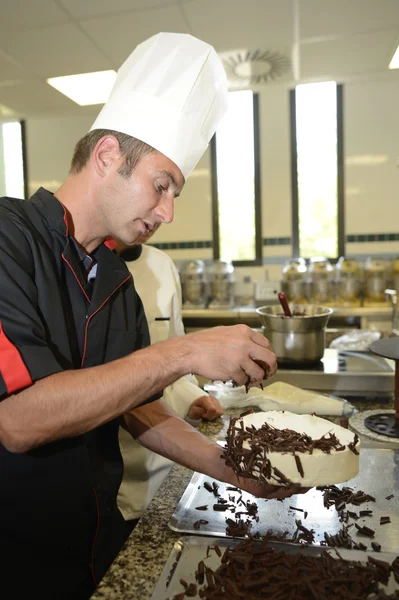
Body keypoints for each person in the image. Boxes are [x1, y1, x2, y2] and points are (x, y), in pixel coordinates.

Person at [0, 32, 297, 600]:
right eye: (161, 186)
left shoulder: (115, 280)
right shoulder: (9, 241)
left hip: (95, 547)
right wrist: (182, 351)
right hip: (15, 563)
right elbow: (18, 421)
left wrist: (233, 470)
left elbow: (139, 411)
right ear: (107, 156)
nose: (167, 211)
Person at [116, 225, 223, 528]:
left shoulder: (162, 265)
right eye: (158, 187)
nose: (163, 215)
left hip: (166, 465)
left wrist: (193, 398)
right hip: (111, 480)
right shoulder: (82, 269)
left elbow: (175, 364)